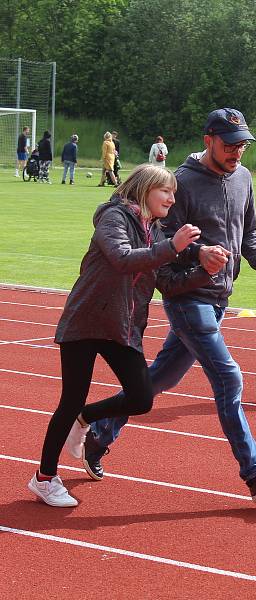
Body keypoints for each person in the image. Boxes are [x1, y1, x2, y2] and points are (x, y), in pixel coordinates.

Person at [87, 108, 256, 502]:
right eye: (230, 145)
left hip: (219, 298)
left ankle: (97, 434)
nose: (237, 152)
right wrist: (200, 254)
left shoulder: (245, 179)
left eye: (242, 146)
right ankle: (255, 475)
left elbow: (248, 234)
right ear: (208, 141)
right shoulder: (179, 183)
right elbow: (161, 239)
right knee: (228, 378)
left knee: (160, 379)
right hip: (186, 297)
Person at [27, 164, 206, 507]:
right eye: (165, 191)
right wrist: (173, 246)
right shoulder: (115, 217)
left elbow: (164, 282)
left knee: (141, 399)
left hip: (122, 326)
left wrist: (203, 273)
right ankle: (44, 478)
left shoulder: (153, 230)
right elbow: (123, 259)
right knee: (70, 399)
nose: (172, 198)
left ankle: (87, 418)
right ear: (144, 189)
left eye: (173, 192)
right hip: (87, 320)